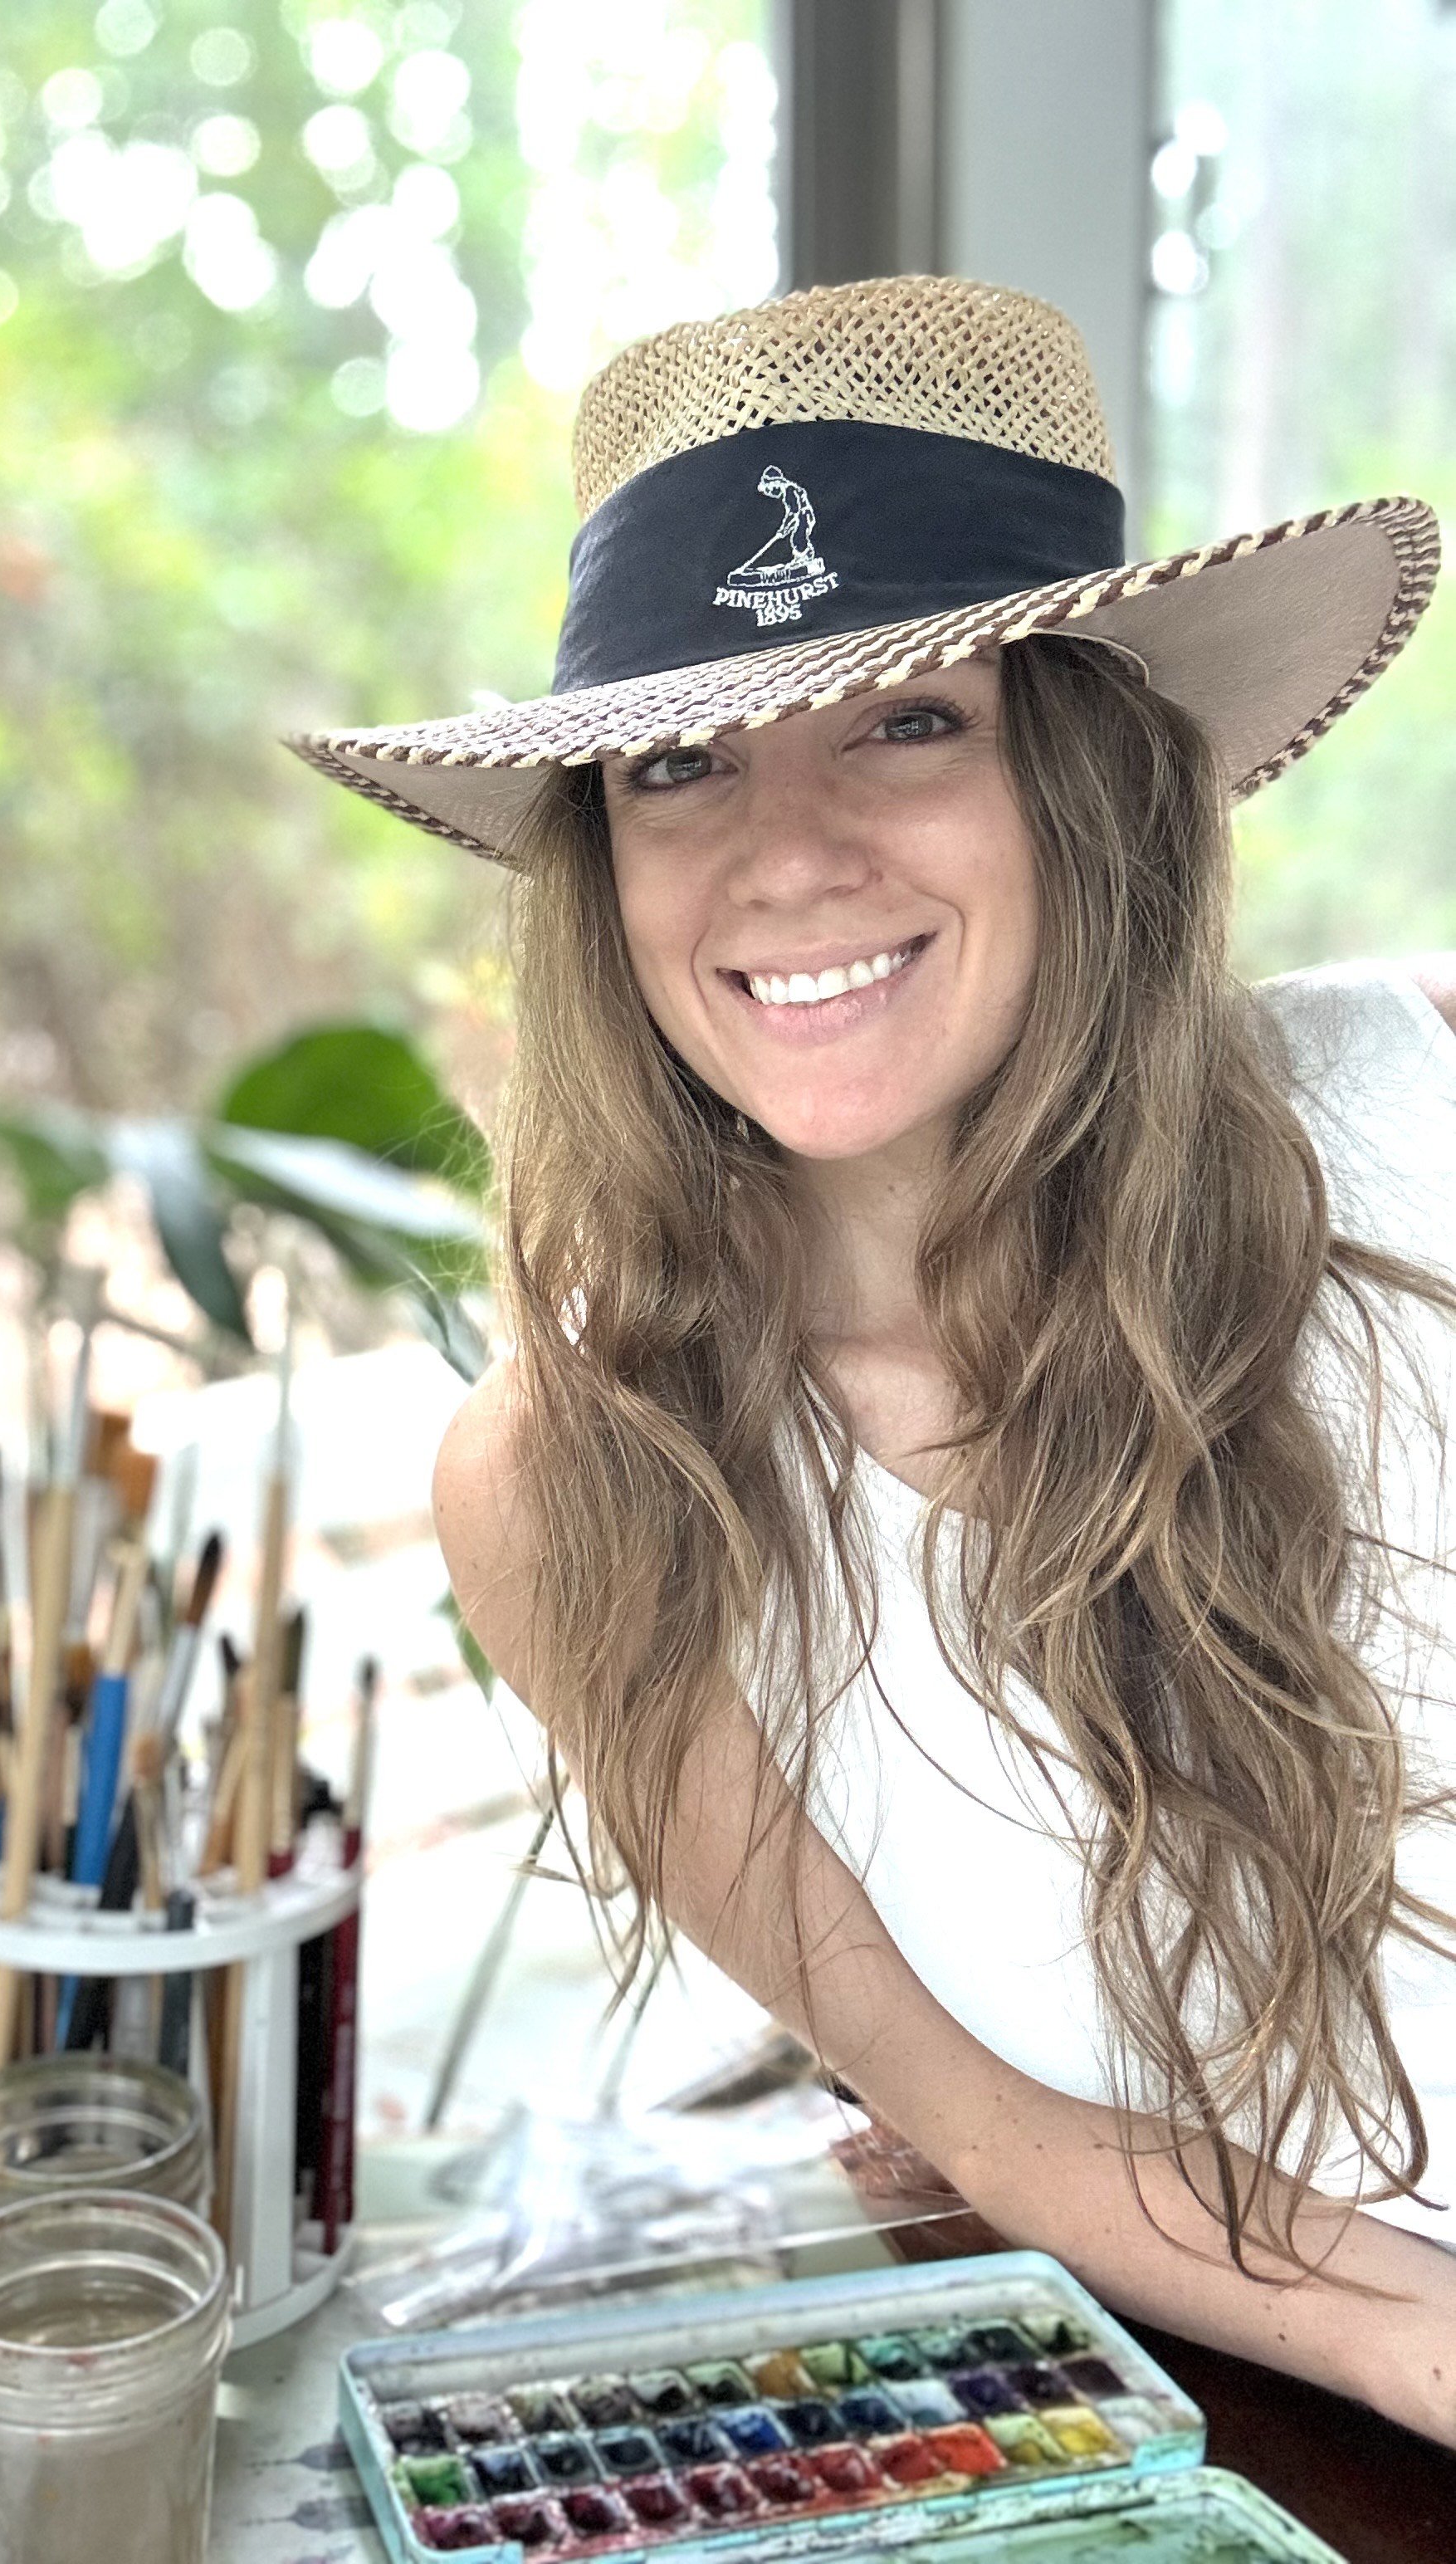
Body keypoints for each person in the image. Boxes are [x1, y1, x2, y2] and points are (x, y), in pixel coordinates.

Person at [293, 276, 1456, 2442]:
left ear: (1081, 772)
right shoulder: (572, 1487)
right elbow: (994, 2125)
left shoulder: (1422, 1102)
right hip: (1301, 2432)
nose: (788, 856)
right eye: (677, 764)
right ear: (598, 860)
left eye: (907, 722)